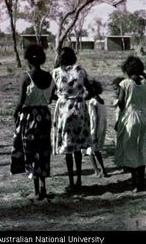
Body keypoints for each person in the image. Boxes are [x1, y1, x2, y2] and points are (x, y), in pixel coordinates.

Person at [10, 44, 55, 201]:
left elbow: (21, 101)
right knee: (43, 150)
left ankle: (37, 191)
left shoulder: (26, 77)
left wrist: (15, 114)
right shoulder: (50, 76)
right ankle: (44, 187)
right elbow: (50, 98)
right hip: (45, 116)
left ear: (28, 59)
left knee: (31, 151)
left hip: (30, 117)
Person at [52, 47, 94, 192]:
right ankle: (79, 181)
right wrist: (81, 98)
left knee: (68, 148)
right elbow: (91, 89)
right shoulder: (81, 71)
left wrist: (61, 98)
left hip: (65, 111)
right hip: (79, 109)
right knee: (78, 149)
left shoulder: (57, 73)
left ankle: (71, 182)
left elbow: (51, 92)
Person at [114, 56, 146, 192]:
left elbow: (121, 102)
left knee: (130, 149)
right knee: (141, 149)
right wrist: (141, 101)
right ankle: (141, 182)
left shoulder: (125, 83)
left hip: (130, 117)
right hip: (144, 117)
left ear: (127, 69)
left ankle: (135, 183)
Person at [83, 79, 109, 178]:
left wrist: (93, 133)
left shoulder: (92, 102)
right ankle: (103, 170)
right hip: (101, 129)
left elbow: (93, 118)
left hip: (94, 130)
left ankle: (97, 171)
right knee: (97, 150)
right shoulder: (101, 101)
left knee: (90, 151)